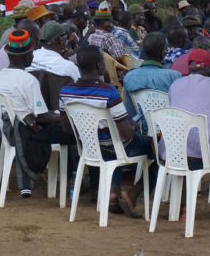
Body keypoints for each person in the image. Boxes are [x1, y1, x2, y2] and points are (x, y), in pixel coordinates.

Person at [59, 45, 158, 212]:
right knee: (161, 148)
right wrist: (133, 126)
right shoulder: (110, 92)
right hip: (114, 147)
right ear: (99, 65)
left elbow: (67, 129)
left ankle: (113, 191)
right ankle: (133, 193)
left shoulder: (66, 92)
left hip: (90, 149)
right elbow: (126, 134)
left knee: (115, 143)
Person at [158, 49, 210, 223]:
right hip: (204, 159)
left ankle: (184, 209)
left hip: (172, 156)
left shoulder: (175, 85)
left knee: (184, 145)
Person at [0, 29, 78, 197]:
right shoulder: (28, 80)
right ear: (28, 57)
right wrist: (62, 117)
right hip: (29, 134)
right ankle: (77, 178)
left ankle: (71, 174)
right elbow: (42, 117)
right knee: (75, 132)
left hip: (7, 131)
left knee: (65, 130)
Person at [123, 32, 181, 119]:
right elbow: (179, 109)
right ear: (163, 53)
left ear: (144, 51)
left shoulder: (129, 76)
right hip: (168, 128)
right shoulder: (174, 76)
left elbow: (131, 112)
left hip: (141, 130)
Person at [89, 10, 127, 81]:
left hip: (102, 75)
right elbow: (120, 59)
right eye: (110, 22)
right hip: (117, 78)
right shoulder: (109, 37)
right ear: (103, 22)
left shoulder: (92, 37)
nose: (112, 26)